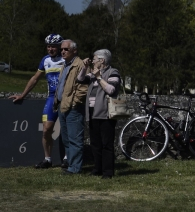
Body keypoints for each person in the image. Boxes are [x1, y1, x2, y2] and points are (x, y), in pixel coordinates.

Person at [9, 34, 66, 169]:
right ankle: (47, 159)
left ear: (59, 47)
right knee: (46, 129)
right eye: (48, 46)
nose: (50, 49)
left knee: (67, 130)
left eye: (53, 46)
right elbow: (35, 78)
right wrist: (23, 95)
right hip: (52, 98)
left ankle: (67, 158)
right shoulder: (45, 60)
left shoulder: (66, 59)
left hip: (66, 98)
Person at [79, 50, 121, 179]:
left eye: (95, 59)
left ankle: (107, 172)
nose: (93, 61)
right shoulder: (92, 74)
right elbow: (80, 79)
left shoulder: (113, 72)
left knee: (106, 144)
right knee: (95, 143)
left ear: (102, 60)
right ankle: (97, 168)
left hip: (106, 112)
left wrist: (98, 77)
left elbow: (111, 90)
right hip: (93, 112)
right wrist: (84, 68)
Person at [53, 40, 88, 174]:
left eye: (66, 49)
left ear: (74, 50)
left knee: (75, 139)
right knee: (66, 138)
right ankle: (70, 163)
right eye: (62, 49)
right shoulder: (65, 65)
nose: (62, 51)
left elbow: (83, 88)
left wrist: (74, 103)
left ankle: (75, 168)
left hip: (73, 107)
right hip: (63, 105)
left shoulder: (80, 64)